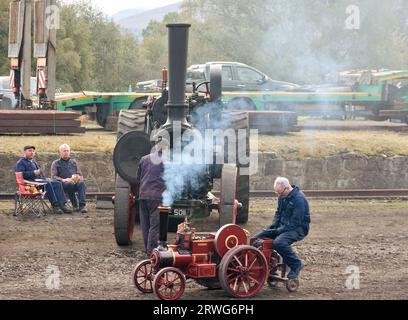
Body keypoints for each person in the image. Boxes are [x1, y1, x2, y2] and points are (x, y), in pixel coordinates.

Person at [255, 177, 311, 279]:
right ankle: (262, 265)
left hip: (298, 229)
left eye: (280, 193)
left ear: (287, 188)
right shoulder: (282, 196)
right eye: (277, 193)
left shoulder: (299, 199)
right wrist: (273, 225)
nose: (279, 196)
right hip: (282, 226)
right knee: (257, 238)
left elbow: (295, 222)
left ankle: (296, 264)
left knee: (279, 243)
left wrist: (278, 230)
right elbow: (278, 213)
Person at [15, 145, 72, 214]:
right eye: (29, 151)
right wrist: (33, 173)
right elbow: (20, 177)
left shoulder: (34, 162)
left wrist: (44, 178)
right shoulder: (20, 163)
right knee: (47, 184)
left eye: (33, 151)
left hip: (38, 184)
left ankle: (62, 205)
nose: (32, 153)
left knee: (57, 183)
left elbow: (40, 174)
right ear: (24, 152)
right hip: (28, 188)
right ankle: (55, 206)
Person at [135, 148, 167, 256]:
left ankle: (147, 249)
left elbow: (138, 178)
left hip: (143, 195)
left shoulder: (144, 159)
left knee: (145, 225)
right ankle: (151, 253)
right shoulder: (165, 161)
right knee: (155, 226)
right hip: (156, 197)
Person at [51, 144, 88, 213]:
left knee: (82, 183)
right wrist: (64, 180)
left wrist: (78, 177)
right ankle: (75, 205)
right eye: (64, 151)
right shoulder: (56, 163)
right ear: (60, 152)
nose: (66, 152)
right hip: (62, 184)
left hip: (75, 181)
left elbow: (80, 174)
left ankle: (82, 206)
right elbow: (53, 177)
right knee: (69, 184)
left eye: (68, 151)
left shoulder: (74, 162)